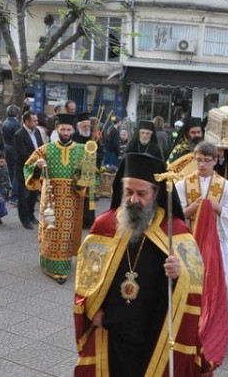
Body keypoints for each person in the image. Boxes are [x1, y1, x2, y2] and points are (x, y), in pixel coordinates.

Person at [74, 153, 207, 376]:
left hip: (154, 326)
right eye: (128, 192)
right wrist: (92, 308)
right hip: (112, 325)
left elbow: (195, 281)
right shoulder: (105, 224)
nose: (133, 200)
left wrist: (179, 274)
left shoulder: (175, 229)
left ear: (156, 193)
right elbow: (87, 274)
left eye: (141, 193)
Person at [24, 114, 95, 284]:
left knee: (66, 234)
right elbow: (28, 166)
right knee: (50, 230)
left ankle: (62, 268)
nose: (65, 132)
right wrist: (37, 167)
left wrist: (84, 175)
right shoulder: (45, 149)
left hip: (71, 201)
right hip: (50, 199)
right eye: (62, 129)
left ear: (73, 130)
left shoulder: (82, 149)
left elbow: (92, 174)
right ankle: (46, 262)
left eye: (68, 129)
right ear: (57, 129)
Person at [176, 141, 228, 284]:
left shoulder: (225, 186)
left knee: (214, 281)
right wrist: (191, 209)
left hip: (216, 242)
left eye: (207, 160)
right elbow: (173, 215)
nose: (202, 164)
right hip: (189, 241)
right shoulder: (183, 184)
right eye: (199, 160)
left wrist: (218, 208)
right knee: (190, 281)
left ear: (215, 160)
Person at [13, 111, 43, 230]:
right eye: (34, 120)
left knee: (33, 195)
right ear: (26, 121)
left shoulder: (37, 132)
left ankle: (31, 215)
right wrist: (36, 160)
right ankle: (24, 219)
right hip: (24, 170)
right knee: (24, 196)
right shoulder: (19, 135)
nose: (37, 122)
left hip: (36, 169)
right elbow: (22, 153)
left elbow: (41, 147)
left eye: (37, 120)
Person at [1, 105, 22, 204]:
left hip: (7, 148)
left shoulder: (4, 122)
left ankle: (8, 192)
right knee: (16, 173)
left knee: (9, 172)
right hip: (14, 149)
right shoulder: (16, 124)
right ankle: (15, 195)